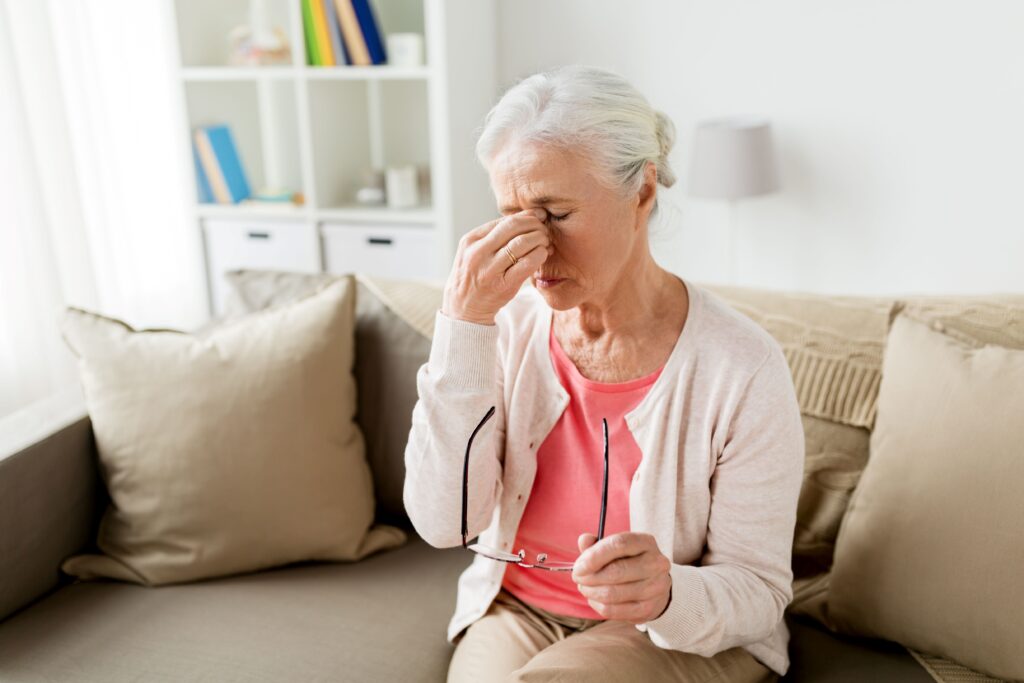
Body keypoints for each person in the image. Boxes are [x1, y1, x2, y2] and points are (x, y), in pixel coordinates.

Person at [403, 64, 804, 683]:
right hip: (517, 610)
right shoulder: (500, 331)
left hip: (674, 634)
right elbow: (442, 523)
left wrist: (666, 591)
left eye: (556, 214)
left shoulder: (741, 365)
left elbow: (758, 591)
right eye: (512, 215)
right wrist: (464, 324)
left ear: (642, 191)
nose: (532, 248)